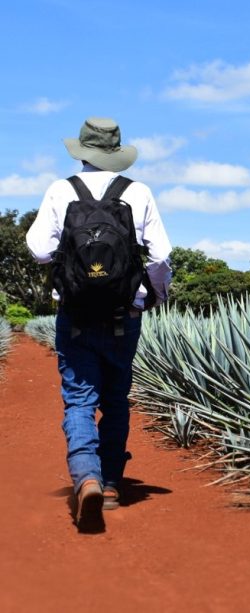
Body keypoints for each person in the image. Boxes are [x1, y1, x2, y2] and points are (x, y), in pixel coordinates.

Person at [26, 117, 172, 531]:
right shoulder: (137, 192)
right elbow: (160, 256)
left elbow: (38, 250)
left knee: (79, 400)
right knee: (116, 399)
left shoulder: (61, 189)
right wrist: (156, 294)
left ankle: (85, 476)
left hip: (75, 313)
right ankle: (110, 484)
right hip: (124, 314)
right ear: (117, 150)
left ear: (83, 151)